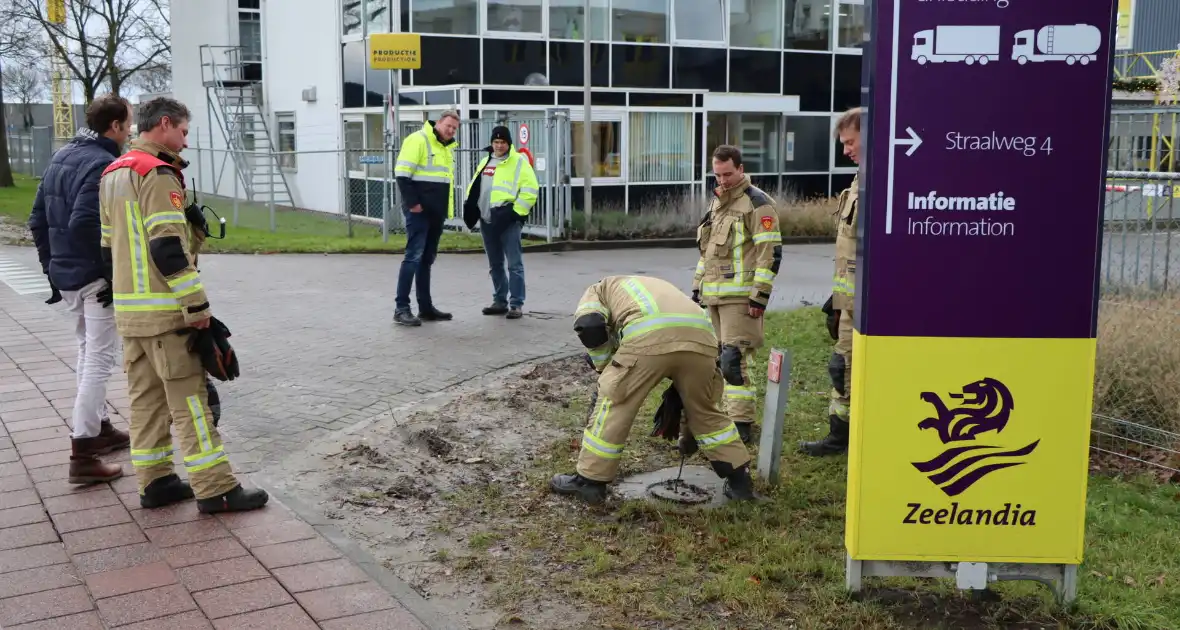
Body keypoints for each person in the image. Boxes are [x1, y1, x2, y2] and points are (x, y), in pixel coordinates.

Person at [98, 96, 268, 514]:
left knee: (146, 404)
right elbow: (167, 249)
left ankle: (156, 483)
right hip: (166, 315)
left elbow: (107, 249)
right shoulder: (157, 173)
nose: (186, 143)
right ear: (166, 124)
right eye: (185, 132)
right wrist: (198, 309)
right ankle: (216, 489)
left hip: (131, 315)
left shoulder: (113, 171)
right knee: (191, 402)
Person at [549, 274, 758, 505]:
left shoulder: (598, 289)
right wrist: (687, 432)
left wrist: (605, 368)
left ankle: (589, 481)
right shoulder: (649, 286)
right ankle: (740, 482)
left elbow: (590, 326)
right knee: (705, 409)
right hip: (703, 339)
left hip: (648, 336)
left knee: (615, 402)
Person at [28, 94, 134, 485]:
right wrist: (110, 275)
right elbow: (86, 224)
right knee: (99, 359)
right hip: (92, 278)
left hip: (67, 274)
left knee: (87, 349)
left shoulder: (62, 156)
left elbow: (36, 219)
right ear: (116, 126)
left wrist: (50, 270)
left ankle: (100, 428)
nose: (131, 130)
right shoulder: (102, 163)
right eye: (129, 124)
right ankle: (84, 452)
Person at [691, 145, 782, 445]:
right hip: (713, 297)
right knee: (716, 361)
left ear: (741, 169)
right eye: (717, 175)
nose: (722, 180)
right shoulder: (718, 203)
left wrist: (759, 296)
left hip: (740, 298)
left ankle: (742, 427)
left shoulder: (757, 204)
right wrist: (697, 286)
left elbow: (770, 253)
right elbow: (708, 252)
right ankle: (722, 419)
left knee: (733, 361)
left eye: (728, 174)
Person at [801, 106, 862, 457]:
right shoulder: (858, 183)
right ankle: (841, 437)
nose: (845, 150)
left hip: (870, 308)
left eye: (850, 142)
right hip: (849, 304)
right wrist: (836, 302)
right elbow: (849, 257)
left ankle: (853, 439)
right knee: (842, 369)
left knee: (850, 370)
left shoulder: (886, 185)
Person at [462, 125, 538, 320]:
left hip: (507, 220)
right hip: (487, 219)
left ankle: (516, 304)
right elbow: (476, 186)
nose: (499, 145)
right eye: (495, 142)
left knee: (514, 264)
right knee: (495, 263)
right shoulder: (486, 161)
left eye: (502, 142)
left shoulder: (519, 162)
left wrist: (515, 213)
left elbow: (530, 190)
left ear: (508, 143)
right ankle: (499, 301)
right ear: (491, 143)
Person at [393, 110, 461, 327]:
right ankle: (401, 308)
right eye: (448, 125)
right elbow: (402, 175)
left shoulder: (445, 148)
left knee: (426, 260)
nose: (450, 131)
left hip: (436, 213)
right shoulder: (417, 140)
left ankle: (425, 308)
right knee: (413, 257)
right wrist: (414, 205)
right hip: (419, 213)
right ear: (438, 122)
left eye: (454, 128)